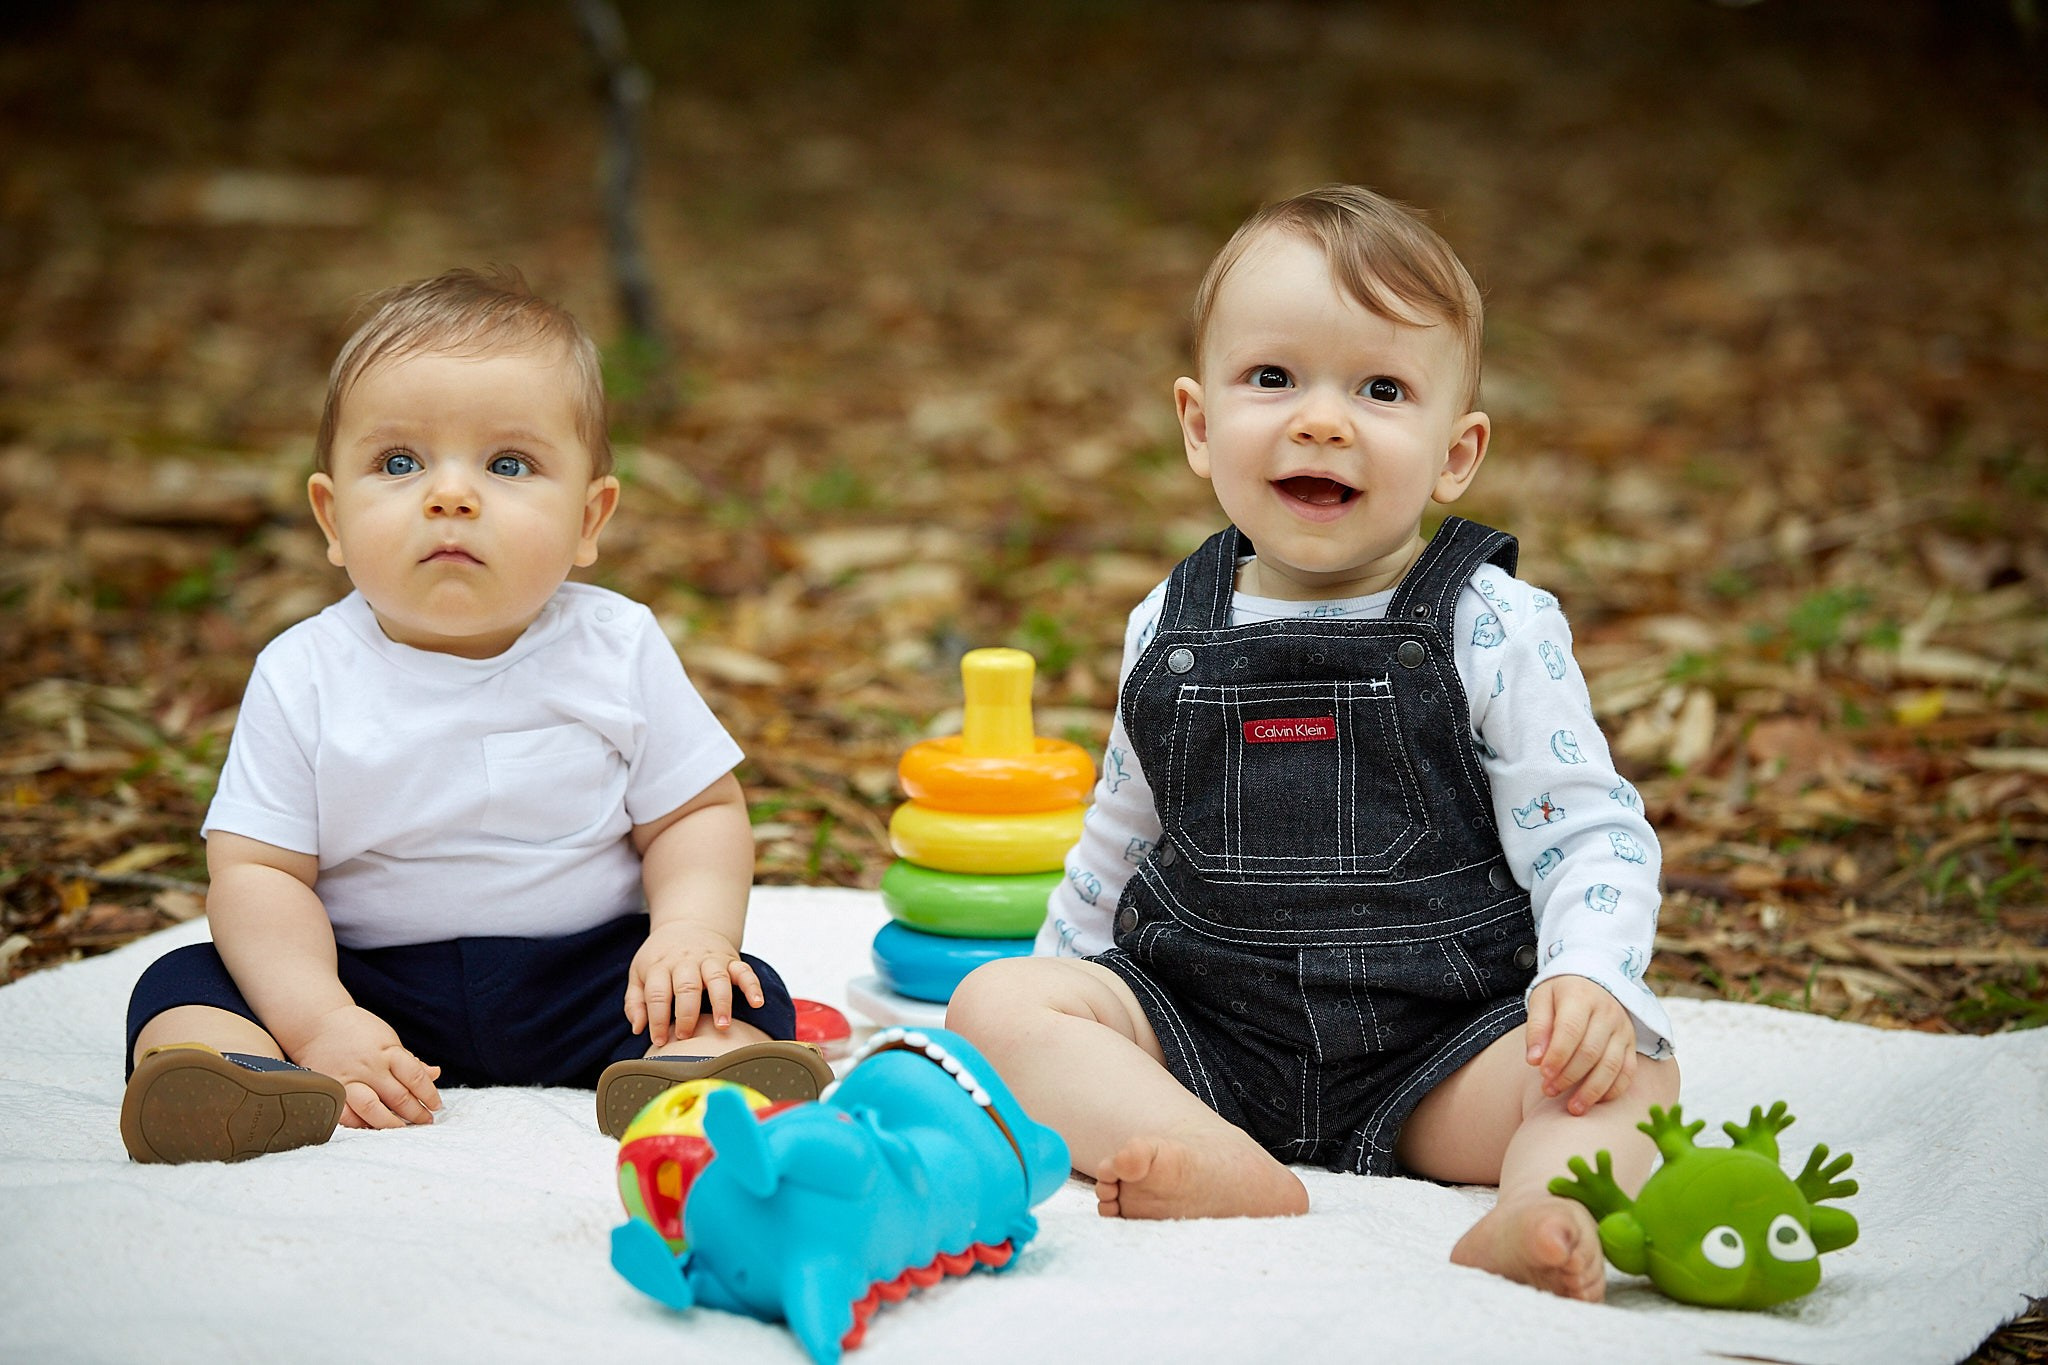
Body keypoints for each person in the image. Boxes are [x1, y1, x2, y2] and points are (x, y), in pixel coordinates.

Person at [947, 186, 1679, 1301]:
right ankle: (1221, 1162)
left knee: (1636, 1073)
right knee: (994, 1007)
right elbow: (1118, 835)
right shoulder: (1171, 621)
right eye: (1273, 379)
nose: (1321, 421)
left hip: (1435, 1052)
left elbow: (1585, 828)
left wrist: (1585, 976)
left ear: (1455, 452)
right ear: (1198, 425)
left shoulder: (1488, 623)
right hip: (1202, 1040)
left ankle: (1541, 1211)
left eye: (1380, 390)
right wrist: (1065, 995)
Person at [119, 267, 830, 1165]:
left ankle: (696, 1072)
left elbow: (696, 812)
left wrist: (688, 933)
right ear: (331, 519)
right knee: (185, 980)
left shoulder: (617, 644)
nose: (449, 496)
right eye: (400, 463)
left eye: (508, 464)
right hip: (369, 984)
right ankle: (237, 1072)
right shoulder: (304, 672)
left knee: (737, 987)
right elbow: (259, 871)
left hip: (586, 977)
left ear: (588, 517)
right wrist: (321, 1018)